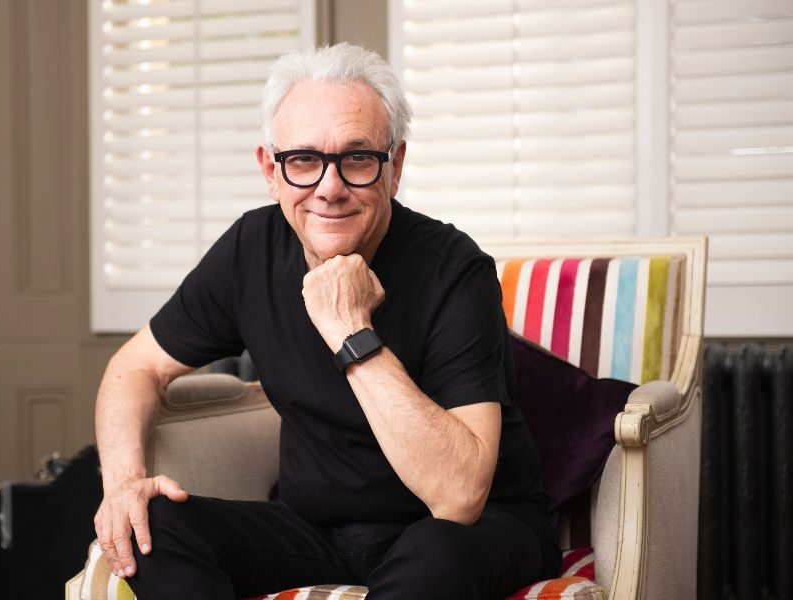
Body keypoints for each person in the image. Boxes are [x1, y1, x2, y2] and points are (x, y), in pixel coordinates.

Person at [93, 43, 561, 599]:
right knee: (155, 529)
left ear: (396, 168)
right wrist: (123, 483)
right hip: (315, 530)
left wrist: (351, 332)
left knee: (437, 553)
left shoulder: (454, 270)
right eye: (303, 160)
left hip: (466, 532)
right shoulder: (251, 249)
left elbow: (459, 496)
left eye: (358, 159)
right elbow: (134, 367)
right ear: (271, 169)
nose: (329, 187)